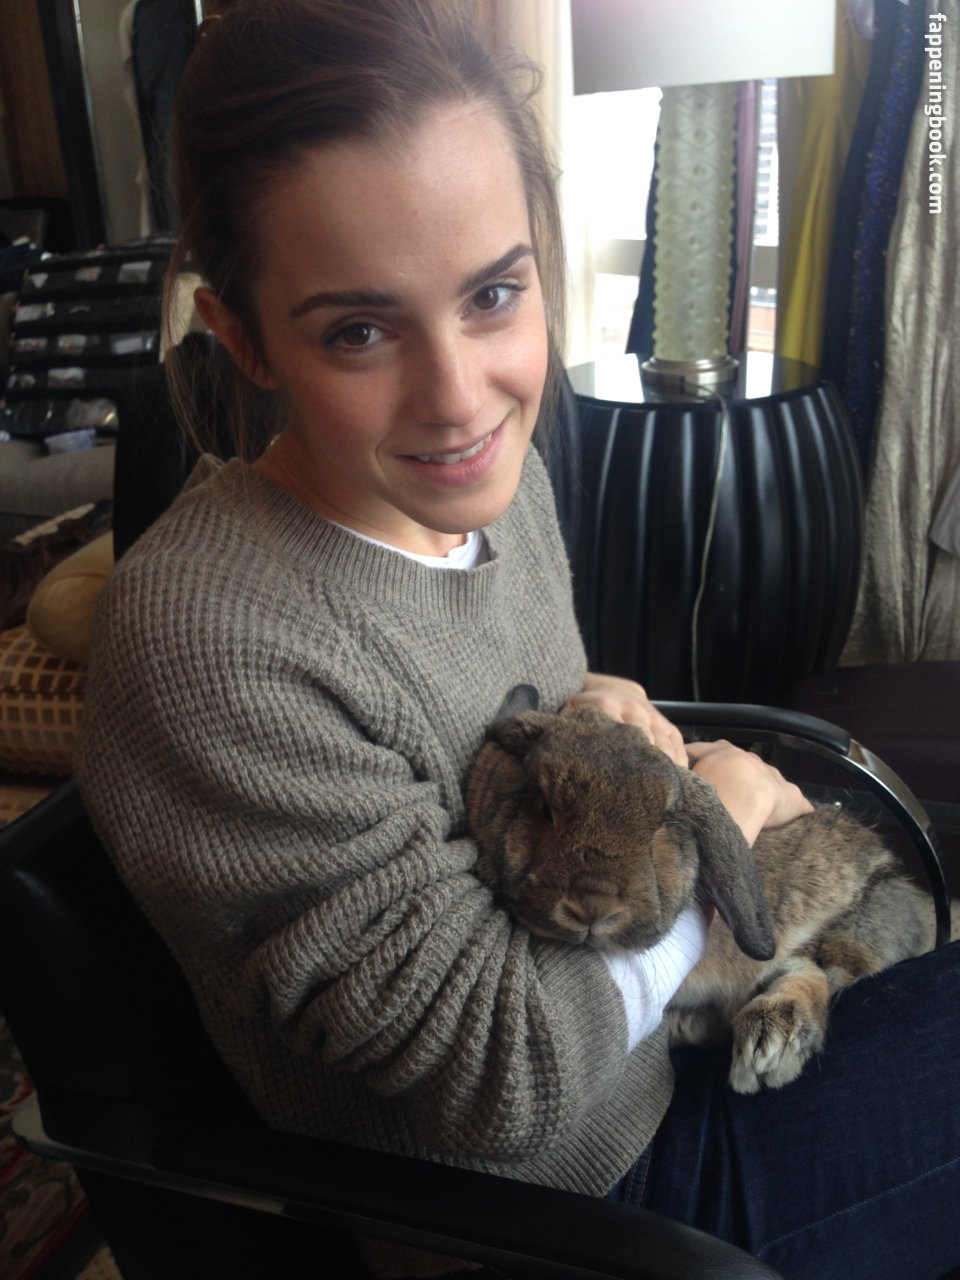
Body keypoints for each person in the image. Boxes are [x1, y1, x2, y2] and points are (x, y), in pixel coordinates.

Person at [74, 2, 960, 1278]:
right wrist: (715, 822)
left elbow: (491, 732)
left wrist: (611, 713)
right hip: (574, 1204)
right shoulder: (208, 642)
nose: (460, 398)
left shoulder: (493, 489)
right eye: (358, 330)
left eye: (494, 293)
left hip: (676, 1048)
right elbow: (498, 1080)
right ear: (243, 337)